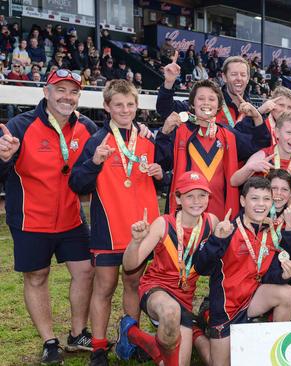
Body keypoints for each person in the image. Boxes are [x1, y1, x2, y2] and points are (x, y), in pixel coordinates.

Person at [0, 69, 95, 364]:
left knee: (85, 271)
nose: (67, 97)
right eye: (61, 90)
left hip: (71, 218)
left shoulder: (87, 126)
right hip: (31, 219)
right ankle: (49, 341)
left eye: (73, 92)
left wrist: (139, 130)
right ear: (46, 92)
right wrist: (3, 158)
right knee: (37, 277)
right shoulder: (19, 125)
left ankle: (78, 333)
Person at [69, 80, 162, 365]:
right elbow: (77, 183)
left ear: (137, 106)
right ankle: (98, 347)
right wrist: (94, 162)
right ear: (107, 107)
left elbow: (163, 180)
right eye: (118, 105)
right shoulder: (96, 141)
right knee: (104, 288)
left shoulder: (148, 140)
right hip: (108, 230)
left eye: (130, 104)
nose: (125, 109)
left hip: (142, 231)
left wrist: (161, 174)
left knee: (134, 285)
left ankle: (130, 340)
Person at [194, 177, 291, 366]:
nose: (261, 204)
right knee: (217, 363)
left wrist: (283, 275)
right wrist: (216, 239)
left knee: (288, 294)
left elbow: (267, 274)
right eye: (254, 199)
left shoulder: (270, 231)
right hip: (226, 307)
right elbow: (201, 267)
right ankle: (196, 334)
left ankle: (273, 353)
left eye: (266, 199)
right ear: (243, 201)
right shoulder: (228, 230)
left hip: (252, 300)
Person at [116, 171, 218, 366]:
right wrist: (135, 243)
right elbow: (129, 266)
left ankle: (131, 332)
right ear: (178, 198)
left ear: (209, 197)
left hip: (185, 299)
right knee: (171, 311)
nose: (197, 201)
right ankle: (135, 333)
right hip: (156, 290)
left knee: (175, 362)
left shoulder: (212, 222)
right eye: (190, 196)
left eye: (202, 195)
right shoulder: (163, 224)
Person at [155, 79, 269, 220]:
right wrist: (164, 133)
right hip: (186, 212)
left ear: (219, 105)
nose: (206, 103)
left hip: (221, 212)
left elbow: (258, 144)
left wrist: (257, 116)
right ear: (192, 104)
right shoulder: (180, 131)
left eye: (211, 99)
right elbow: (162, 162)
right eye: (201, 98)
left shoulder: (228, 135)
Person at [230, 110, 291, 186]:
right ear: (277, 132)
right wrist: (250, 168)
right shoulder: (262, 156)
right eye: (289, 133)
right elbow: (234, 182)